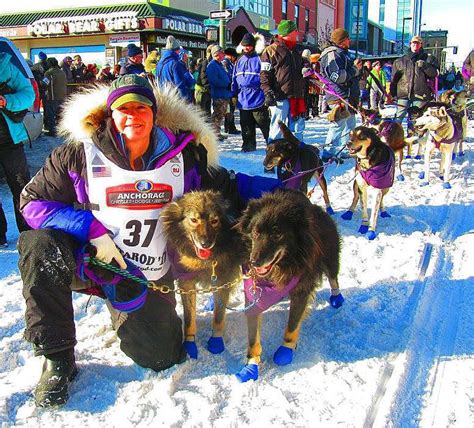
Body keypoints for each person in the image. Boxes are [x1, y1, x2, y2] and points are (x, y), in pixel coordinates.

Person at [17, 74, 280, 408]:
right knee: (39, 245)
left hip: (147, 279)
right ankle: (57, 357)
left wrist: (279, 193)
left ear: (154, 113)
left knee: (161, 357)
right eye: (123, 109)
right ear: (110, 115)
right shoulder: (79, 155)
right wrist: (89, 228)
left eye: (141, 108)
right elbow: (32, 204)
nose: (133, 117)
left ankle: (125, 313)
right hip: (93, 263)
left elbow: (227, 188)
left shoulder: (182, 155)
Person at [0, 49, 35, 243]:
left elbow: (28, 95)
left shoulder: (6, 67)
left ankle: (28, 232)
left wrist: (6, 101)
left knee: (21, 186)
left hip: (9, 141)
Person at [260, 20, 306, 145]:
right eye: (294, 30)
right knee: (277, 129)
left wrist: (306, 67)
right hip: (279, 96)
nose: (297, 32)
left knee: (297, 129)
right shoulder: (270, 51)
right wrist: (267, 91)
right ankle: (274, 157)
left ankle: (297, 156)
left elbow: (301, 68)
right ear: (287, 32)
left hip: (296, 96)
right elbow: (264, 74)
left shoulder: (296, 50)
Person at [320, 28, 362, 162]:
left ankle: (344, 149)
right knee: (338, 124)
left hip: (348, 95)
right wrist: (355, 69)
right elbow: (337, 76)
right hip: (338, 95)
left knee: (350, 125)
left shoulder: (344, 54)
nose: (350, 41)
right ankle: (328, 152)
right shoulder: (333, 54)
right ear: (342, 41)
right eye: (348, 38)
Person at [232, 33, 270, 152]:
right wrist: (233, 93)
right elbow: (234, 78)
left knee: (264, 123)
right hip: (243, 99)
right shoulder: (239, 60)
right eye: (244, 46)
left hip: (257, 97)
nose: (246, 48)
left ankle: (271, 144)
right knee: (246, 125)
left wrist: (266, 93)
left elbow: (265, 77)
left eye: (248, 45)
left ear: (253, 46)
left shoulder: (259, 59)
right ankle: (248, 145)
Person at [390, 35, 438, 124]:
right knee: (397, 119)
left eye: (417, 43)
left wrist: (425, 66)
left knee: (415, 121)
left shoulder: (428, 59)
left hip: (420, 95)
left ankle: (412, 136)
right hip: (403, 94)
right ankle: (394, 136)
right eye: (413, 43)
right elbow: (394, 79)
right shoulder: (400, 61)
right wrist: (393, 94)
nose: (415, 45)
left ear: (421, 44)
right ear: (410, 44)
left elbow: (435, 74)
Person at [155, 36, 193, 102]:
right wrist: (186, 100)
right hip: (174, 98)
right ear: (177, 50)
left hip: (163, 97)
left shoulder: (159, 63)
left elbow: (157, 80)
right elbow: (179, 84)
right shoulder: (175, 63)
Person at [206, 45, 233, 140]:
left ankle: (217, 132)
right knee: (217, 114)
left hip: (224, 94)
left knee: (221, 114)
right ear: (217, 54)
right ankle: (214, 134)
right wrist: (226, 84)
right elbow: (213, 81)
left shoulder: (219, 64)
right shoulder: (212, 66)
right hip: (219, 94)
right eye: (222, 53)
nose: (224, 54)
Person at [43, 57, 67, 136]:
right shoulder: (62, 72)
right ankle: (62, 130)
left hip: (53, 97)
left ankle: (52, 131)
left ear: (50, 63)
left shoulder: (49, 72)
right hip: (63, 96)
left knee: (51, 114)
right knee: (60, 114)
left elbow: (45, 83)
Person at [195, 44, 215, 118]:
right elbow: (203, 77)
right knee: (201, 113)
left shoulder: (210, 63)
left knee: (207, 113)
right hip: (201, 91)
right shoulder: (205, 63)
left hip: (206, 91)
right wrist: (209, 88)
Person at [223, 47, 240, 134]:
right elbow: (229, 75)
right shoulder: (226, 63)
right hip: (228, 90)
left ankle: (230, 126)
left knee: (230, 110)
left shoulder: (229, 63)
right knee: (229, 110)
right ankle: (229, 127)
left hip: (230, 90)